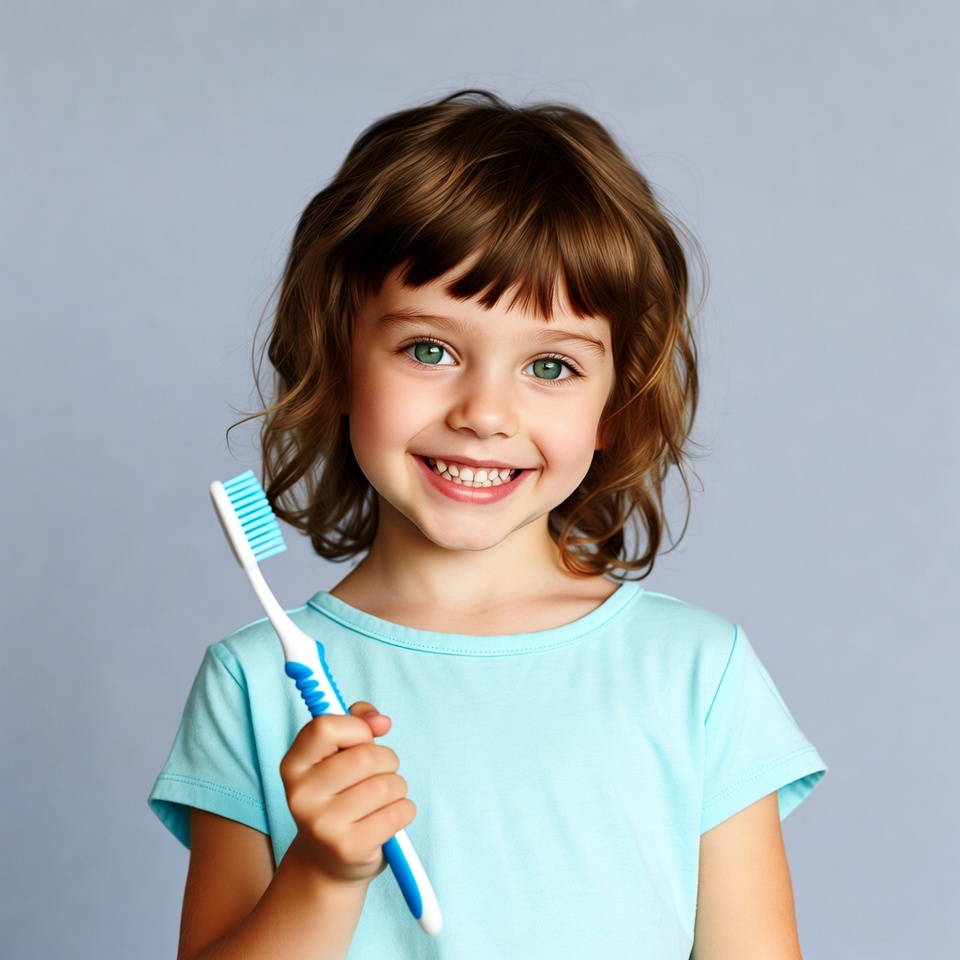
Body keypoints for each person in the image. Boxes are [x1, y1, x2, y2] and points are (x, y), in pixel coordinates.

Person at [150, 90, 826, 959]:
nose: (485, 412)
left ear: (614, 406)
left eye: (550, 365)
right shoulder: (252, 685)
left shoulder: (699, 676)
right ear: (338, 360)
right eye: (430, 350)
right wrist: (322, 873)